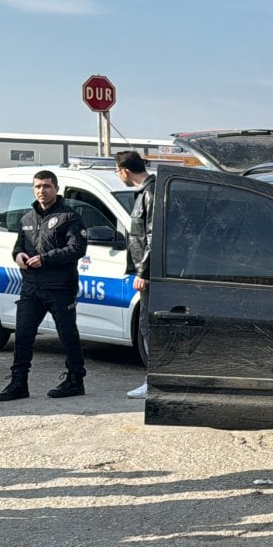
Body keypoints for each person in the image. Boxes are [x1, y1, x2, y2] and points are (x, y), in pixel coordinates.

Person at [0, 170, 89, 401]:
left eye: (46, 186)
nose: (41, 191)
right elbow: (18, 247)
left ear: (56, 188)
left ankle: (75, 380)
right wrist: (18, 256)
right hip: (31, 288)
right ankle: (18, 384)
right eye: (37, 186)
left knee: (67, 335)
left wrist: (45, 258)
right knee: (23, 336)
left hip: (59, 287)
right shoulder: (27, 218)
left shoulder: (70, 217)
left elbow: (77, 249)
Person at [116, 151, 154, 399]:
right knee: (146, 327)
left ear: (124, 171)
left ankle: (154, 381)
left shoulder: (150, 193)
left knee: (148, 327)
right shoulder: (144, 192)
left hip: (150, 274)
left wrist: (144, 271)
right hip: (147, 271)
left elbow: (152, 235)